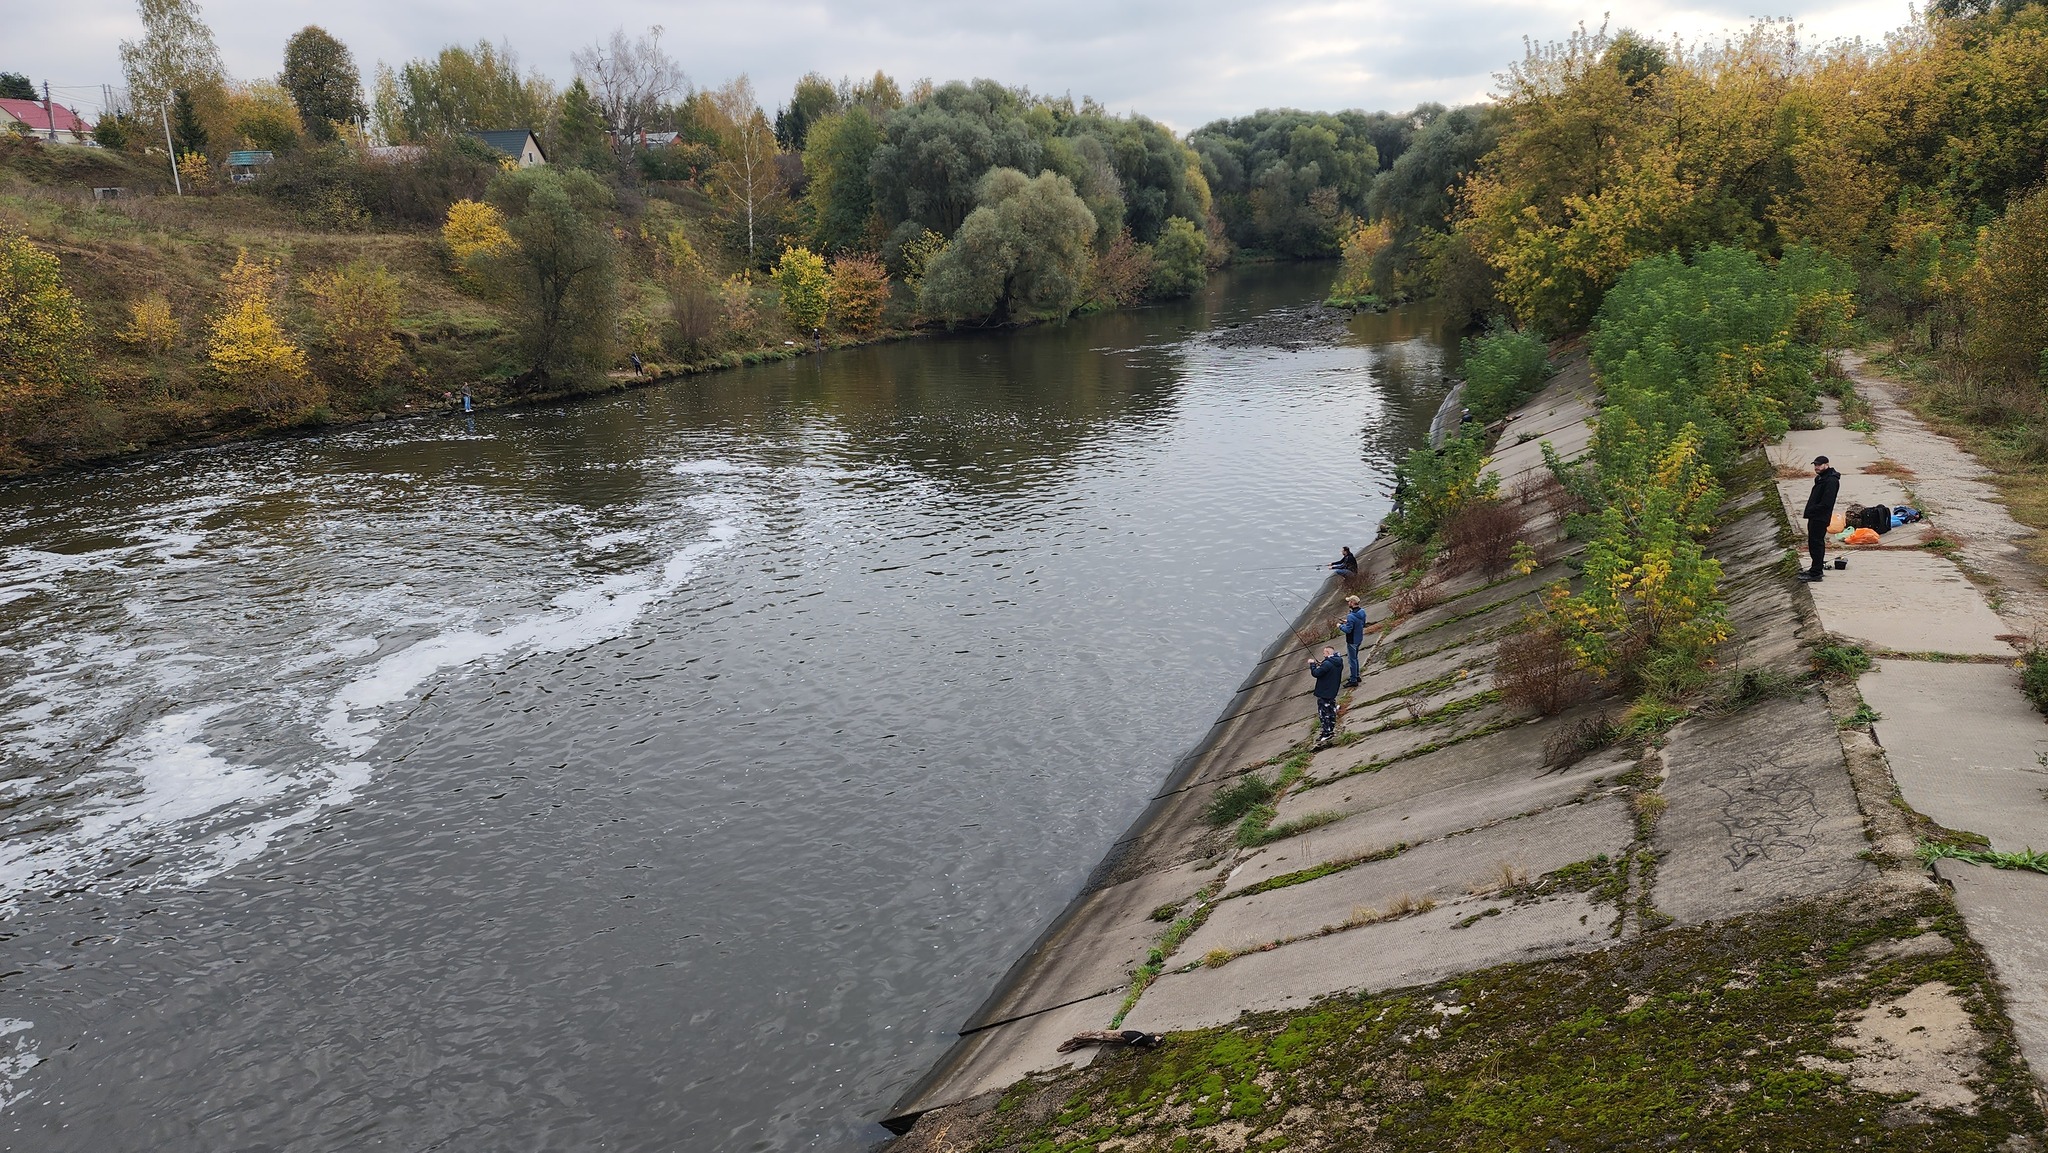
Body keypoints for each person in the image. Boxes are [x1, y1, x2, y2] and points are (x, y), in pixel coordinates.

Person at [1800, 455, 1840, 582]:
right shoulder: (1821, 478)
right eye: (1815, 465)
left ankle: (1816, 572)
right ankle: (1814, 569)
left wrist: (1813, 509)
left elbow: (1826, 503)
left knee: (1817, 543)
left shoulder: (1831, 481)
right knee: (1813, 543)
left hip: (1820, 517)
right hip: (1814, 516)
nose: (1816, 467)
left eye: (1819, 465)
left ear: (1826, 465)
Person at [1309, 646, 1345, 746]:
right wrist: (1322, 664)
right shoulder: (1338, 661)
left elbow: (1316, 673)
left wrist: (1312, 665)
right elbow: (1328, 669)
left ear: (1328, 652)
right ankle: (1331, 728)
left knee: (1323, 714)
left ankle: (1327, 732)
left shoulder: (1327, 664)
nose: (1323, 654)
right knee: (1331, 710)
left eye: (1324, 653)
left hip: (1324, 692)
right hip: (1332, 690)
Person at [1339, 595, 1369, 686]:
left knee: (1352, 660)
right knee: (1355, 658)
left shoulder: (1351, 616)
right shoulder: (1362, 611)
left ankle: (1353, 680)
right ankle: (1357, 675)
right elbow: (1361, 623)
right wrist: (1347, 622)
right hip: (1359, 638)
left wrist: (1340, 626)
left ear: (1352, 603)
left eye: (1349, 602)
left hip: (1352, 640)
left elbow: (1347, 630)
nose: (1348, 603)